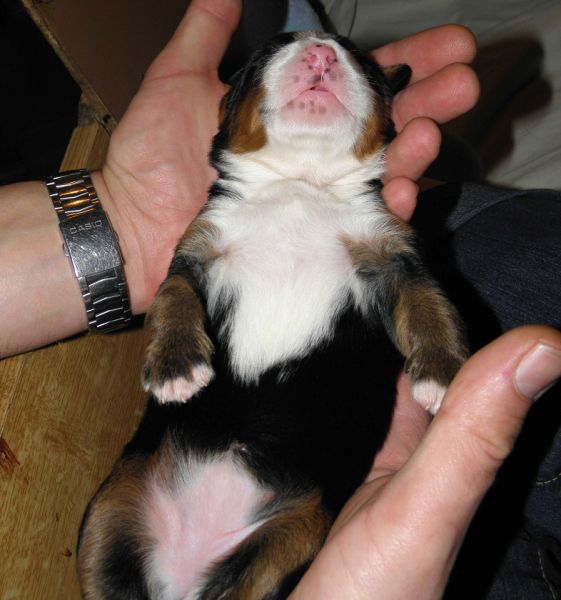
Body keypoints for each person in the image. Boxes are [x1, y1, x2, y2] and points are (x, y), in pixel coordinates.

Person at [0, 1, 560, 597]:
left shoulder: (366, 220)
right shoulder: (225, 213)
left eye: (353, 66)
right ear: (228, 115)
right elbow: (180, 285)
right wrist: (174, 336)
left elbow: (410, 289)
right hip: (190, 484)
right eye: (277, 53)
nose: (320, 58)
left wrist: (439, 356)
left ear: (384, 122)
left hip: (291, 499)